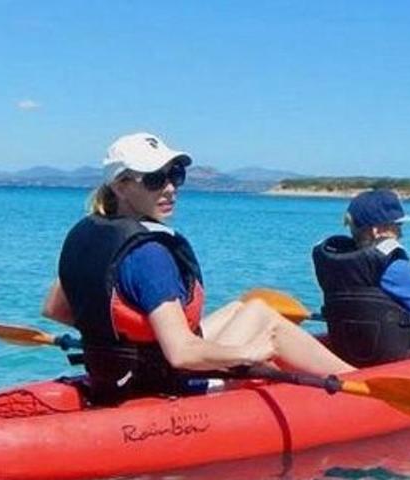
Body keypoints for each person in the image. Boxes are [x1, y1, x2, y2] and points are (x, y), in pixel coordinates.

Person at [42, 132, 352, 404]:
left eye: (174, 175)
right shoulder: (149, 255)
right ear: (121, 186)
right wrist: (251, 353)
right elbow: (182, 353)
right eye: (154, 179)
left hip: (117, 375)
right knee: (268, 322)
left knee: (243, 308)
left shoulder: (90, 234)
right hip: (165, 380)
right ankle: (355, 382)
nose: (169, 188)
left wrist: (116, 343)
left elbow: (56, 309)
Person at [311, 189, 410, 367]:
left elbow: (370, 291)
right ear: (377, 231)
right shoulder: (394, 265)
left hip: (348, 353)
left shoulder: (331, 261)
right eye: (397, 227)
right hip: (398, 359)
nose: (401, 234)